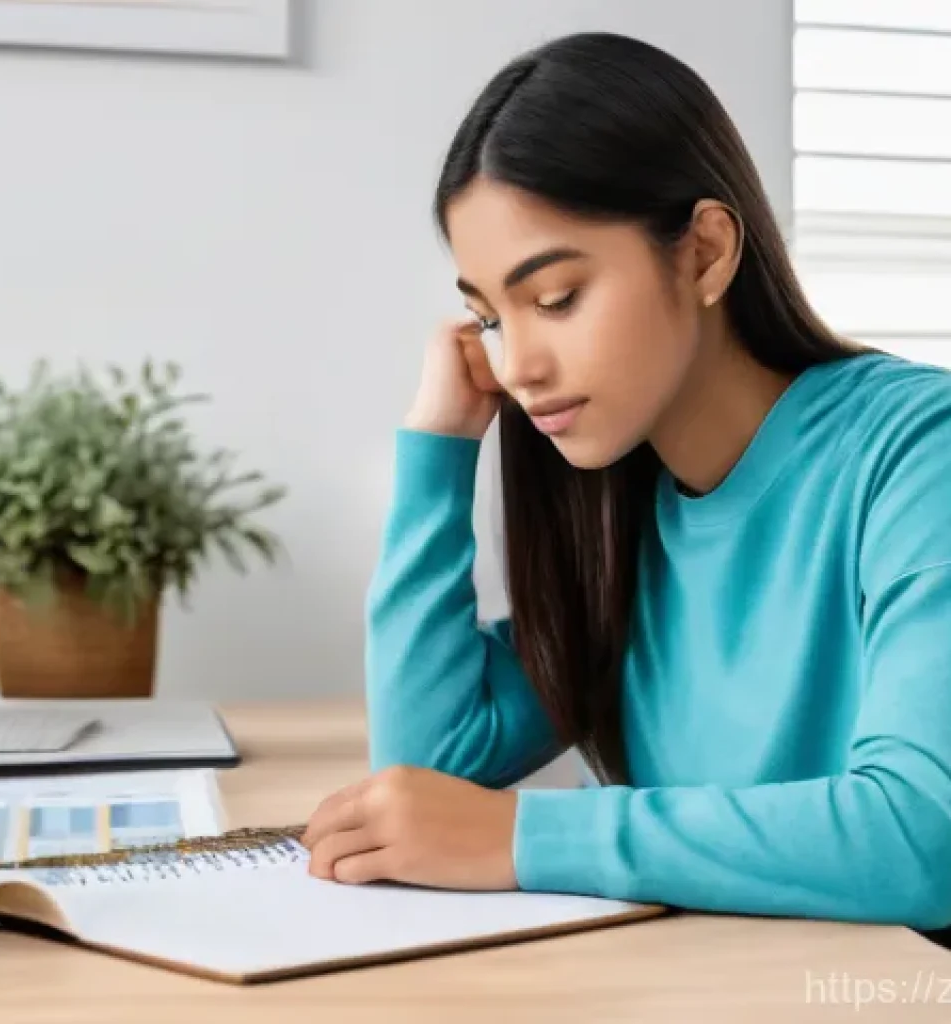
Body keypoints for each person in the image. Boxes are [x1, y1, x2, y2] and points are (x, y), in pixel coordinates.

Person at [300, 31, 951, 934]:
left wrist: (522, 838)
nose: (519, 364)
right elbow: (424, 774)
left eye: (557, 297)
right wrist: (438, 448)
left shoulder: (919, 449)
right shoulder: (614, 511)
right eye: (489, 317)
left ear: (707, 252)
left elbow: (922, 835)